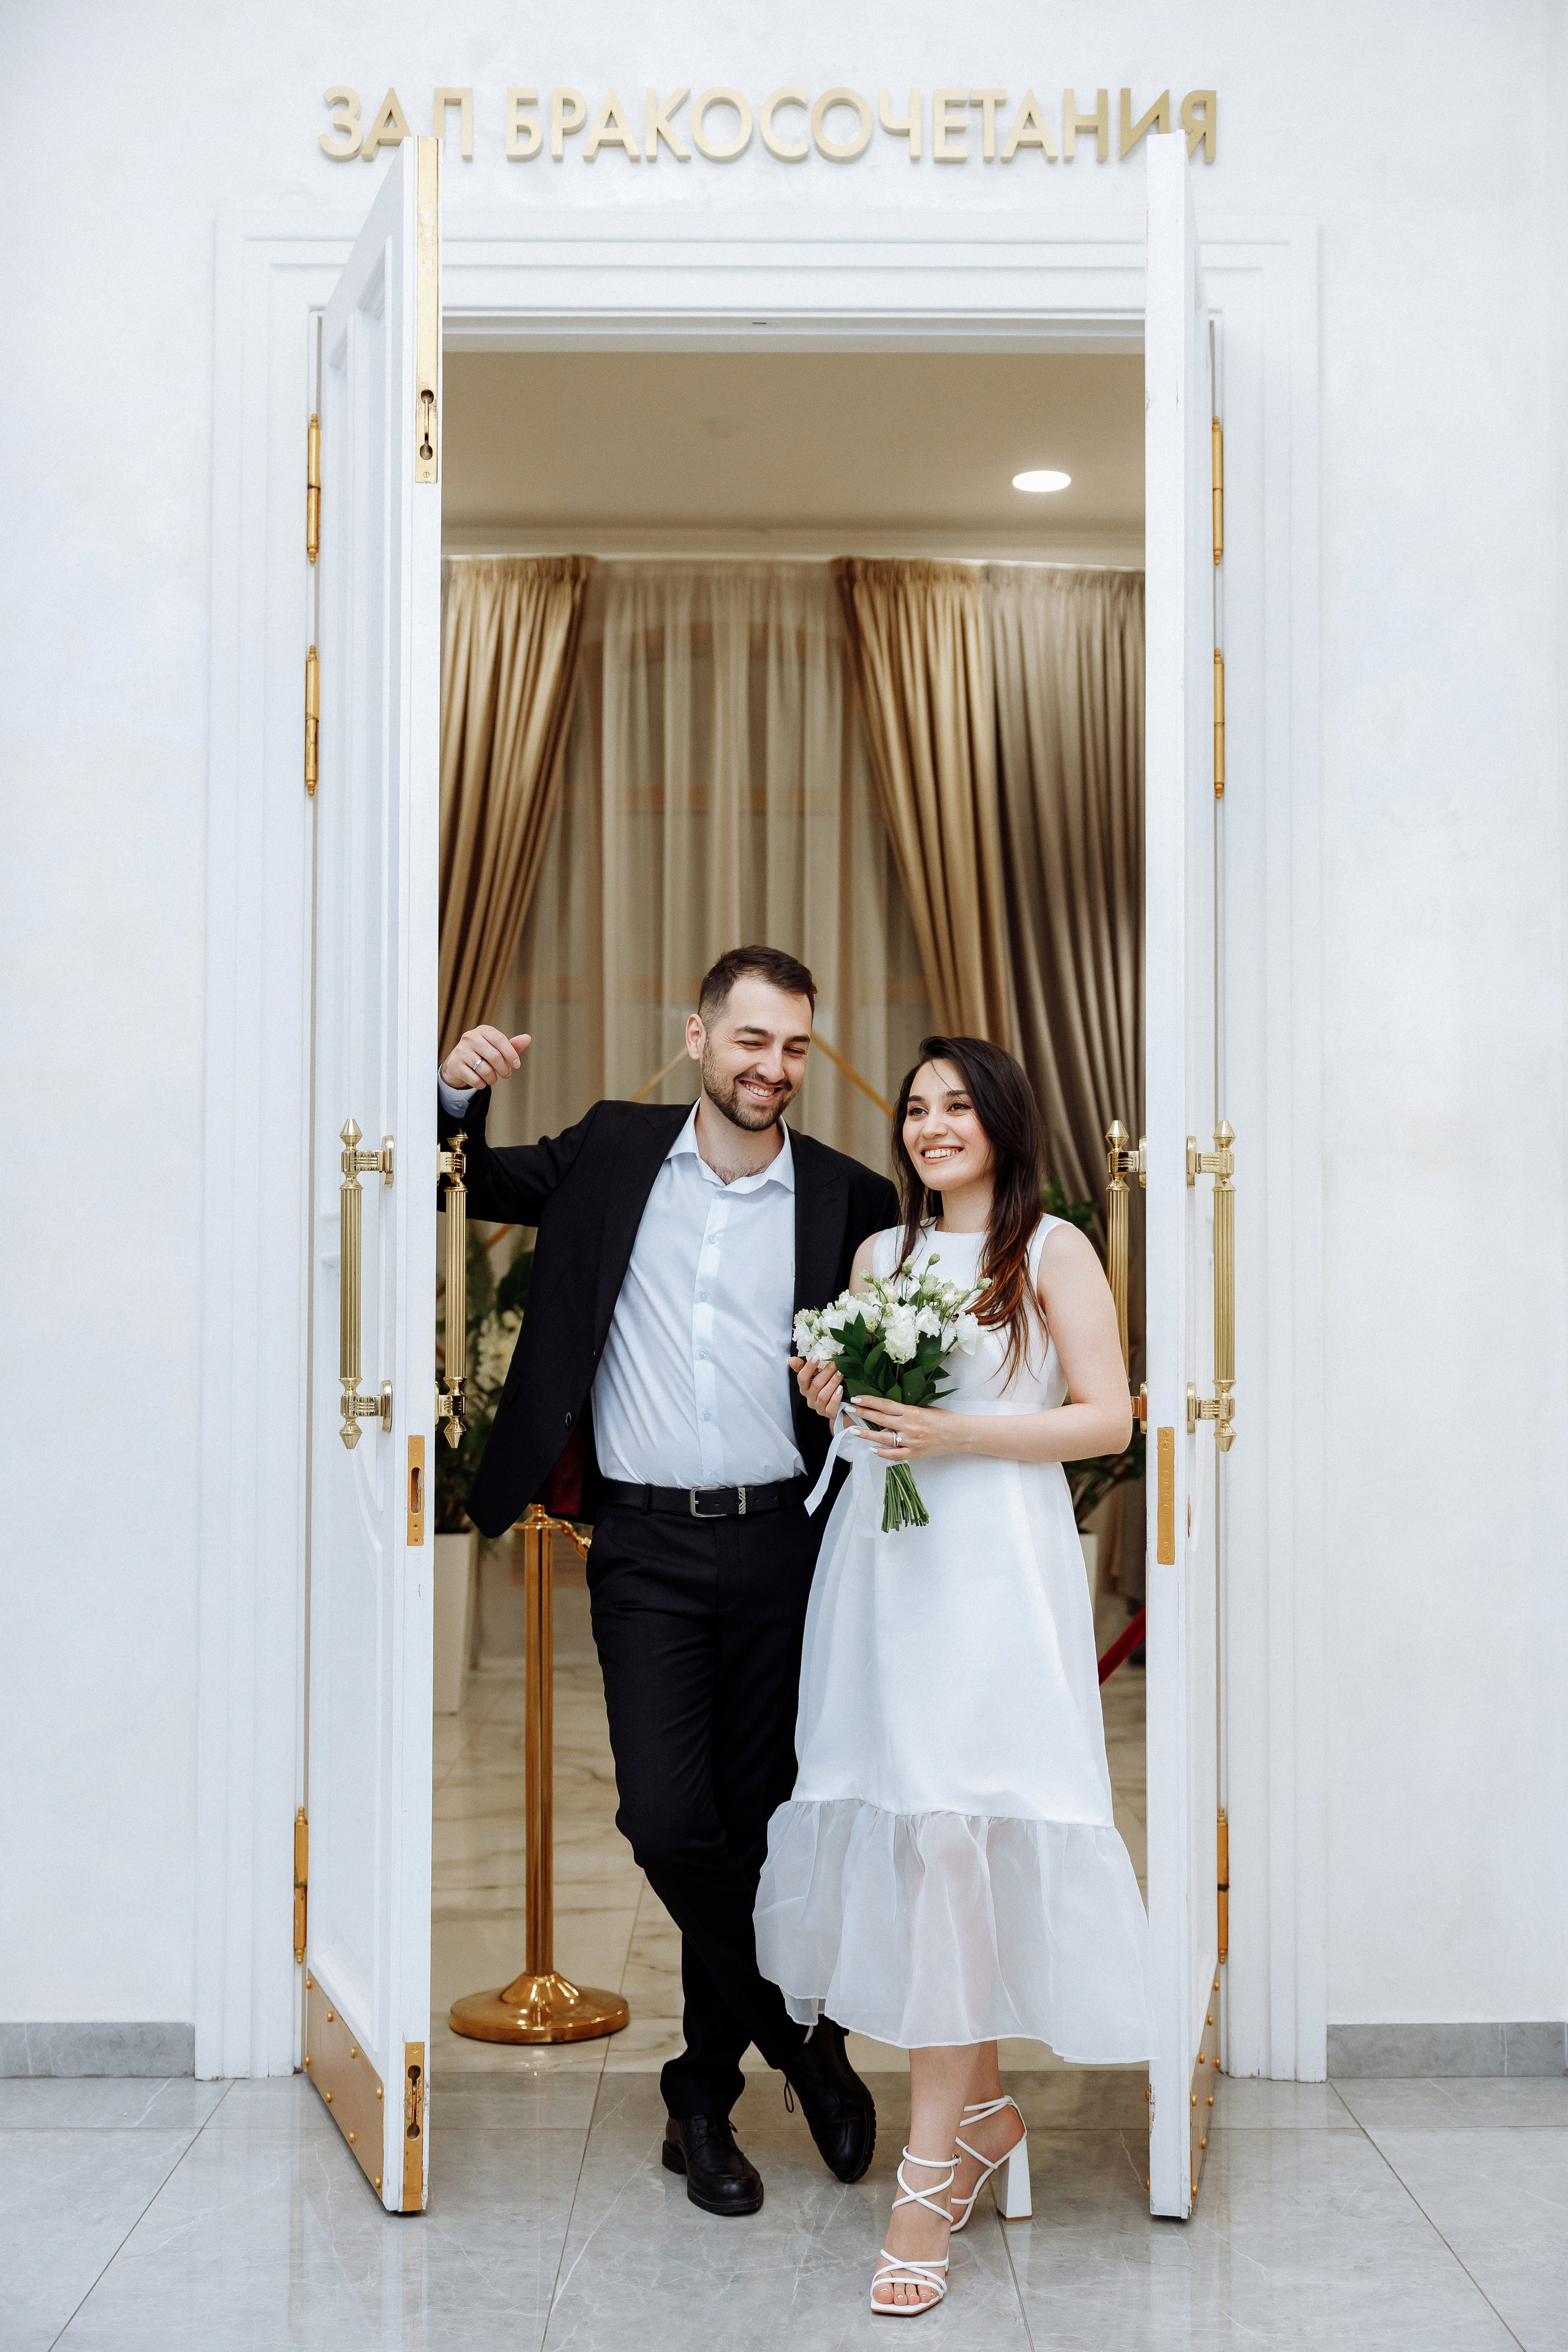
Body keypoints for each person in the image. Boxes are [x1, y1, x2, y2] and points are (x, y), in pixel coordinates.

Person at [437, 945, 898, 2216]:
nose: (773, 1068)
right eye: (751, 1040)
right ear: (697, 1036)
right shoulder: (610, 1150)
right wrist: (452, 1092)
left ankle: (700, 2097)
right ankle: (803, 2048)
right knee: (662, 1819)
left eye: (795, 1046)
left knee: (755, 1828)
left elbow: (911, 1347)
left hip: (786, 1544)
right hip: (640, 1544)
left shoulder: (847, 1201)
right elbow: (459, 1178)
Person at [755, 1035, 1155, 2315]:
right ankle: (976, 2114)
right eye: (915, 1109)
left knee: (957, 1837)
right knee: (915, 1834)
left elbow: (1108, 1416)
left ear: (998, 1123)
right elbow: (878, 1417)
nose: (929, 1127)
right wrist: (840, 1401)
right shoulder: (879, 1256)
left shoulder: (1048, 1251)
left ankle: (929, 2172)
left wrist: (958, 1431)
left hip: (992, 1576)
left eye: (953, 1108)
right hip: (882, 1570)